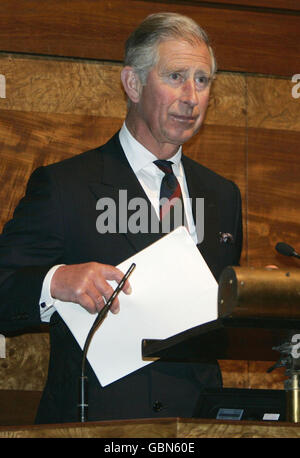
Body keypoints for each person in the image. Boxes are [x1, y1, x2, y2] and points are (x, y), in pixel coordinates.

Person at [0, 12, 242, 423]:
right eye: (176, 76)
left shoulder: (223, 195)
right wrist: (56, 281)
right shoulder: (65, 187)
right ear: (133, 84)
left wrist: (256, 297)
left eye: (202, 81)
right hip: (96, 425)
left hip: (200, 426)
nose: (192, 96)